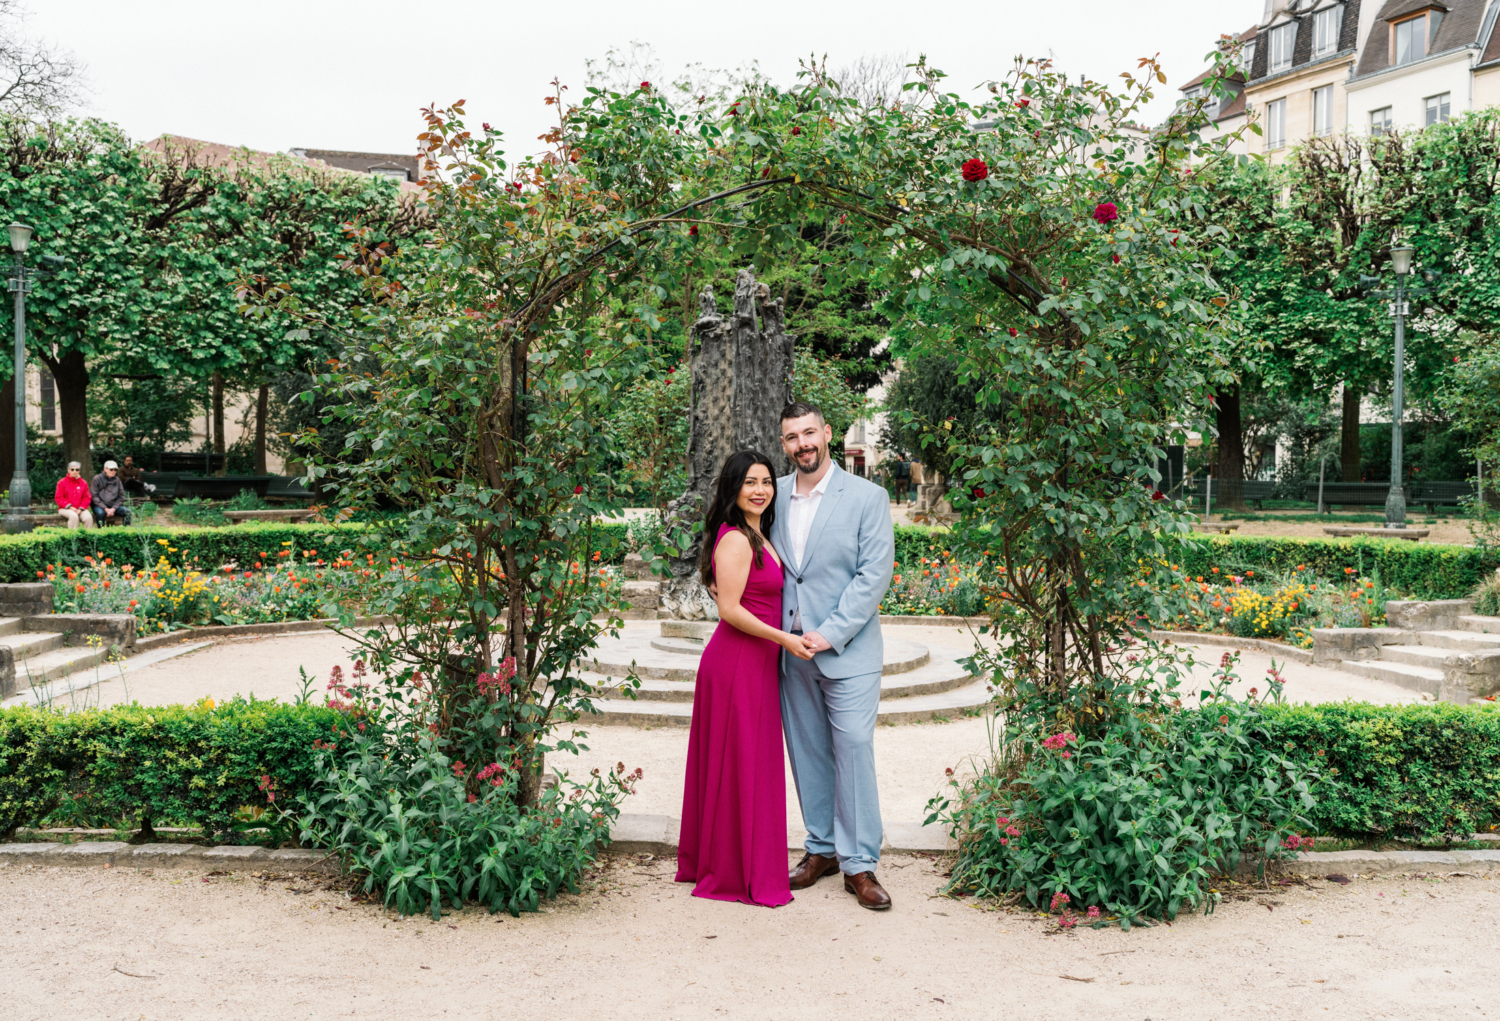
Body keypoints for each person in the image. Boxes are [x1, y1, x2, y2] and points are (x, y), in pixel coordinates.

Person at [772, 401, 896, 910]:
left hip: (847, 651)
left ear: (828, 434)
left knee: (853, 751)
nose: (802, 444)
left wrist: (829, 633)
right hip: (789, 652)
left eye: (809, 433)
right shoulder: (770, 495)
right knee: (807, 753)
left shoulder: (868, 496)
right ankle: (821, 849)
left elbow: (874, 576)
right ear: (783, 444)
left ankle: (860, 864)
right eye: (791, 437)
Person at [675, 449, 812, 907]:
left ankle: (737, 858)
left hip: (756, 661)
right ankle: (735, 870)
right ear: (734, 488)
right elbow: (729, 610)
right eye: (750, 482)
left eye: (767, 481)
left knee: (748, 763)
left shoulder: (761, 533)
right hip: (736, 663)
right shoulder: (736, 538)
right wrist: (785, 640)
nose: (760, 490)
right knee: (742, 763)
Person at [90, 460, 132, 526]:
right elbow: (94, 496)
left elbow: (121, 496)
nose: (113, 471)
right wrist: (105, 508)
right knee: (100, 513)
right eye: (111, 469)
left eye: (115, 470)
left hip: (113, 506)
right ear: (105, 469)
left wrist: (113, 508)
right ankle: (101, 533)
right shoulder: (97, 479)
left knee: (128, 512)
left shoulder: (117, 480)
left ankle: (126, 532)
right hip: (100, 506)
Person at [54, 462, 94, 530]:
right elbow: (59, 498)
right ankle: (73, 538)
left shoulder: (83, 483)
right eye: (72, 469)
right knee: (74, 516)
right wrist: (70, 507)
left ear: (79, 471)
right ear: (68, 470)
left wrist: (81, 509)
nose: (74, 471)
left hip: (80, 508)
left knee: (88, 518)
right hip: (64, 508)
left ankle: (87, 538)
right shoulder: (61, 482)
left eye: (77, 469)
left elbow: (87, 498)